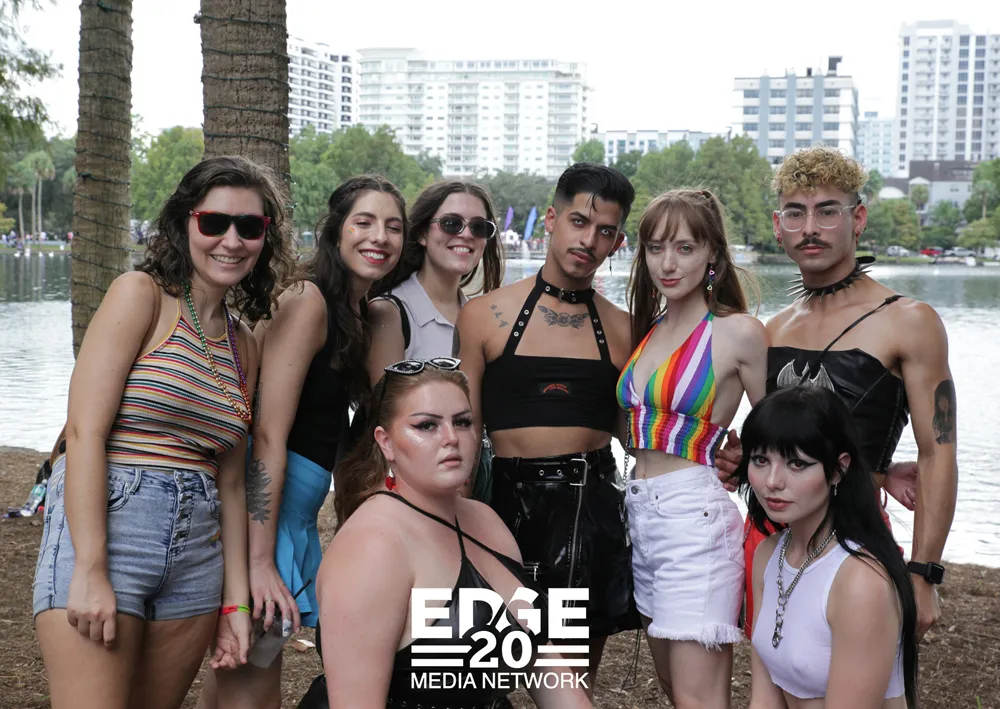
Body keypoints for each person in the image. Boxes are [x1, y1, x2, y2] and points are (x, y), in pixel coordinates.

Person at [33, 156, 295, 709]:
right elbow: (83, 432)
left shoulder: (244, 345)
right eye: (214, 222)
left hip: (198, 555)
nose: (231, 240)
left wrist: (235, 605)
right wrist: (91, 567)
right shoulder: (142, 295)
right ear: (183, 224)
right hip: (115, 526)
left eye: (249, 226)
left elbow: (231, 484)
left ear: (265, 237)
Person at [716, 146, 957, 640]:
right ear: (778, 225)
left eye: (827, 211)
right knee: (775, 674)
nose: (810, 228)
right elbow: (785, 448)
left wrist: (924, 572)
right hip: (767, 543)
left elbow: (938, 453)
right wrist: (741, 461)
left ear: (858, 219)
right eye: (795, 213)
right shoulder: (772, 330)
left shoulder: (909, 321)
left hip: (856, 541)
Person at [198, 177, 408, 708]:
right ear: (334, 231)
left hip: (292, 517)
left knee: (235, 680)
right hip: (265, 518)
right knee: (252, 690)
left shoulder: (360, 312)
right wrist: (260, 559)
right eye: (364, 222)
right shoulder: (308, 299)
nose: (379, 237)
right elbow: (265, 433)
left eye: (393, 227)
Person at [456, 162, 639, 696]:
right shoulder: (483, 315)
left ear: (618, 241)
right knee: (476, 680)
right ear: (553, 221)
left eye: (605, 231)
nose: (589, 240)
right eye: (579, 222)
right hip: (503, 511)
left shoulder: (624, 328)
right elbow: (462, 429)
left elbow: (637, 435)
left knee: (570, 686)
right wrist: (451, 520)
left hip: (590, 512)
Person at [316, 360, 592, 709]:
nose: (451, 438)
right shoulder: (373, 547)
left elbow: (542, 659)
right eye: (426, 425)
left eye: (462, 422)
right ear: (386, 443)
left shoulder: (485, 520)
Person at [617, 189, 767, 708]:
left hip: (695, 519)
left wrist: (743, 457)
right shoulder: (647, 329)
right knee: (672, 686)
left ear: (713, 255)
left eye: (684, 248)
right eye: (656, 248)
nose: (667, 263)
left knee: (696, 697)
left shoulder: (737, 333)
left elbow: (780, 430)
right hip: (640, 516)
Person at [736, 386, 918, 709]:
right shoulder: (769, 555)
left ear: (838, 469)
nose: (772, 481)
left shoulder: (860, 582)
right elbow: (764, 700)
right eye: (760, 460)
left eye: (796, 463)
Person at [367, 180, 504, 370]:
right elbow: (385, 390)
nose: (467, 235)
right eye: (451, 223)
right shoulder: (390, 312)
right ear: (422, 234)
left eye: (479, 227)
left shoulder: (483, 316)